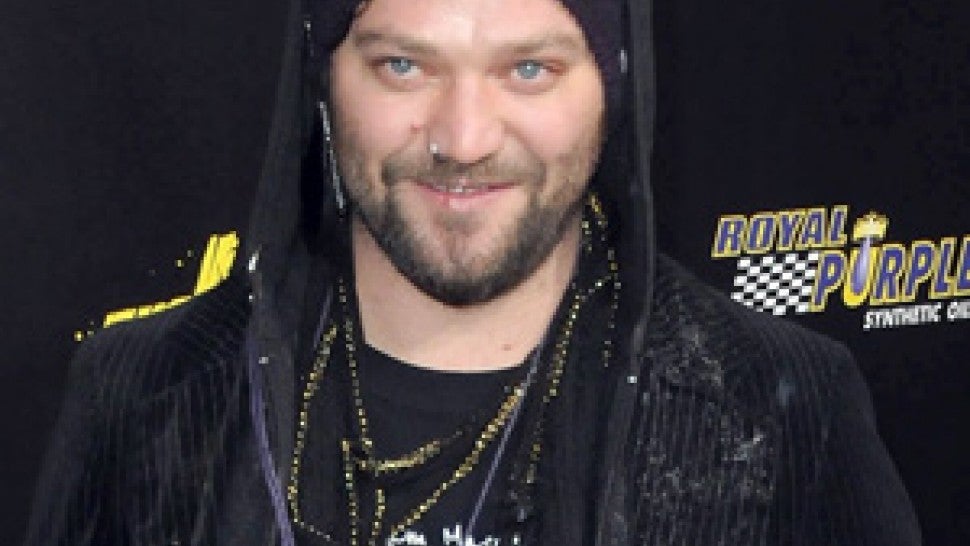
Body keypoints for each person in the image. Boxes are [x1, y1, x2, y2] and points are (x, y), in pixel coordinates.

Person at [24, 0, 922, 545]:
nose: (463, 138)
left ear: (610, 86)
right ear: (326, 80)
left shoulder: (777, 402)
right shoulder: (143, 392)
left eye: (529, 68)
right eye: (402, 65)